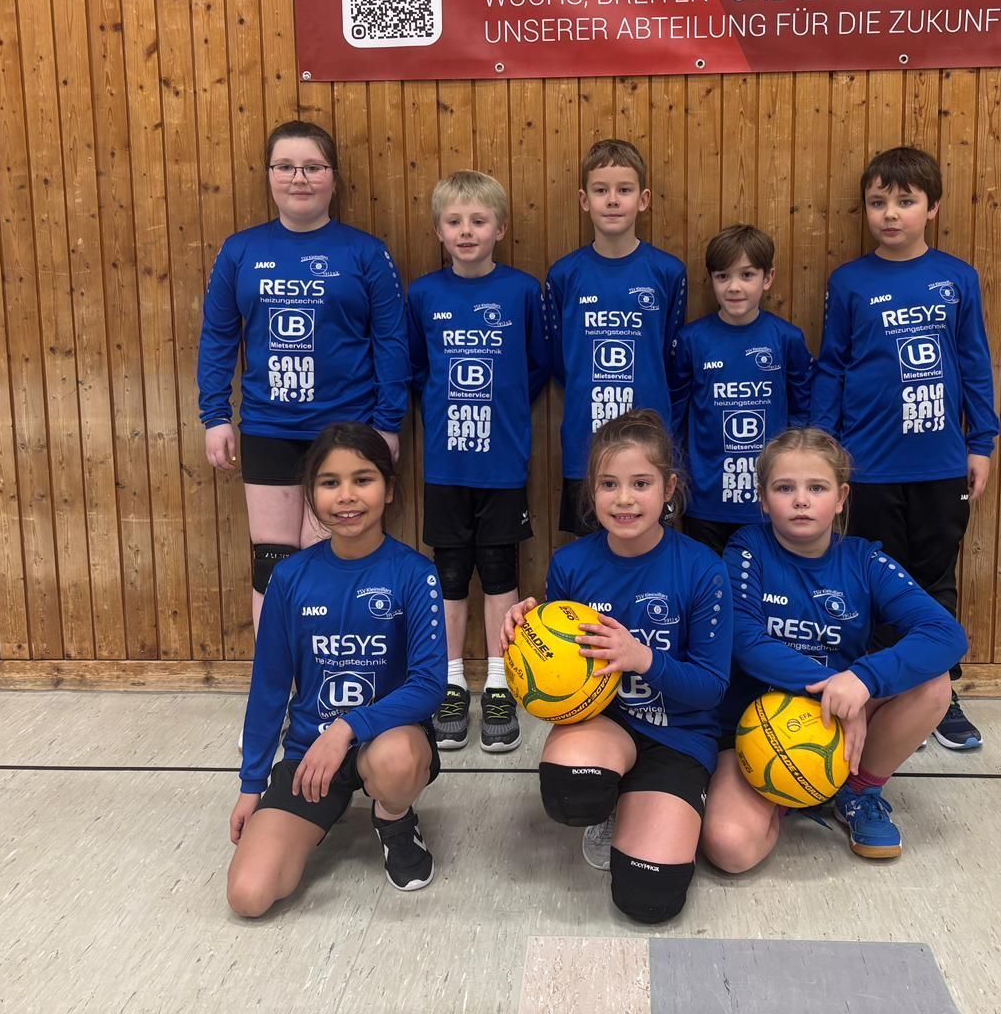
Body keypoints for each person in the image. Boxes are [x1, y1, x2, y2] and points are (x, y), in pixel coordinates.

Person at [499, 410, 730, 925]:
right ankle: (613, 798)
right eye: (609, 484)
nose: (624, 499)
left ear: (669, 489)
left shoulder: (703, 568)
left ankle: (664, 805)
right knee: (570, 793)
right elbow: (558, 678)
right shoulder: (571, 564)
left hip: (678, 735)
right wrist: (525, 638)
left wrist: (642, 658)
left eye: (641, 483)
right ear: (592, 491)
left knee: (649, 900)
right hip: (604, 724)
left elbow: (711, 689)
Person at [699, 427, 966, 870]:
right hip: (758, 724)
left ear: (841, 498)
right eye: (785, 488)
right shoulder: (747, 550)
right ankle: (790, 793)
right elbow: (744, 639)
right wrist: (833, 687)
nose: (801, 501)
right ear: (763, 499)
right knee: (730, 849)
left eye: (817, 488)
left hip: (839, 714)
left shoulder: (864, 560)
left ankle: (857, 791)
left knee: (933, 684)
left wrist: (863, 680)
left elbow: (947, 635)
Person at [809, 146, 998, 749]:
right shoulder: (849, 282)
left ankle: (940, 693)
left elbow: (974, 362)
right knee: (875, 583)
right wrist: (821, 446)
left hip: (939, 464)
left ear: (932, 208)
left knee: (934, 580)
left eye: (905, 201)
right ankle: (880, 694)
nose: (890, 214)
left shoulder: (957, 278)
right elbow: (832, 366)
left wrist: (982, 441)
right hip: (867, 465)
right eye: (878, 202)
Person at [226, 423, 445, 916]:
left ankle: (394, 817)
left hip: (384, 740)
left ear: (389, 490)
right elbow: (269, 687)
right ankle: (324, 809)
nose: (346, 496)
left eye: (362, 480)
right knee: (249, 896)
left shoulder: (414, 574)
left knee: (396, 761)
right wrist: (251, 785)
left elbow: (430, 685)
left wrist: (347, 728)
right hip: (311, 754)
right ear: (311, 495)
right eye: (330, 483)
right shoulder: (290, 578)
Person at [198, 121, 410, 628]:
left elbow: (392, 341)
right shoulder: (240, 251)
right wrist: (215, 415)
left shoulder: (365, 252)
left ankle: (330, 671)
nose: (299, 178)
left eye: (313, 167)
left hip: (345, 430)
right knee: (272, 564)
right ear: (269, 175)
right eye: (286, 167)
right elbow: (218, 336)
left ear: (333, 178)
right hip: (268, 427)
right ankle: (277, 674)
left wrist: (388, 423)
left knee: (331, 558)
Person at [406, 170, 550, 753]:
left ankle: (497, 685)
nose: (466, 231)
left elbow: (537, 365)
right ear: (438, 231)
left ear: (500, 229)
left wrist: (504, 408)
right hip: (445, 467)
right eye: (454, 221)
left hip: (502, 465)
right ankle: (449, 685)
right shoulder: (423, 295)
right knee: (448, 577)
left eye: (478, 220)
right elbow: (417, 369)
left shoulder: (522, 291)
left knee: (499, 574)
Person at [545, 139, 687, 537]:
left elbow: (671, 356)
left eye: (624, 190)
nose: (612, 200)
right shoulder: (564, 275)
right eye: (600, 190)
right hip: (585, 445)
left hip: (650, 443)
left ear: (643, 199)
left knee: (654, 552)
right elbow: (559, 360)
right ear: (584, 200)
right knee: (590, 555)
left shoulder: (668, 272)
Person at [671, 224, 812, 554]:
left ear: (768, 277)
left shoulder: (787, 339)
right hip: (705, 501)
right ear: (711, 279)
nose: (734, 287)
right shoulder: (691, 341)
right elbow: (674, 417)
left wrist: (793, 473)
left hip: (769, 500)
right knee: (708, 582)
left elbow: (804, 412)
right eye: (723, 276)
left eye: (747, 275)